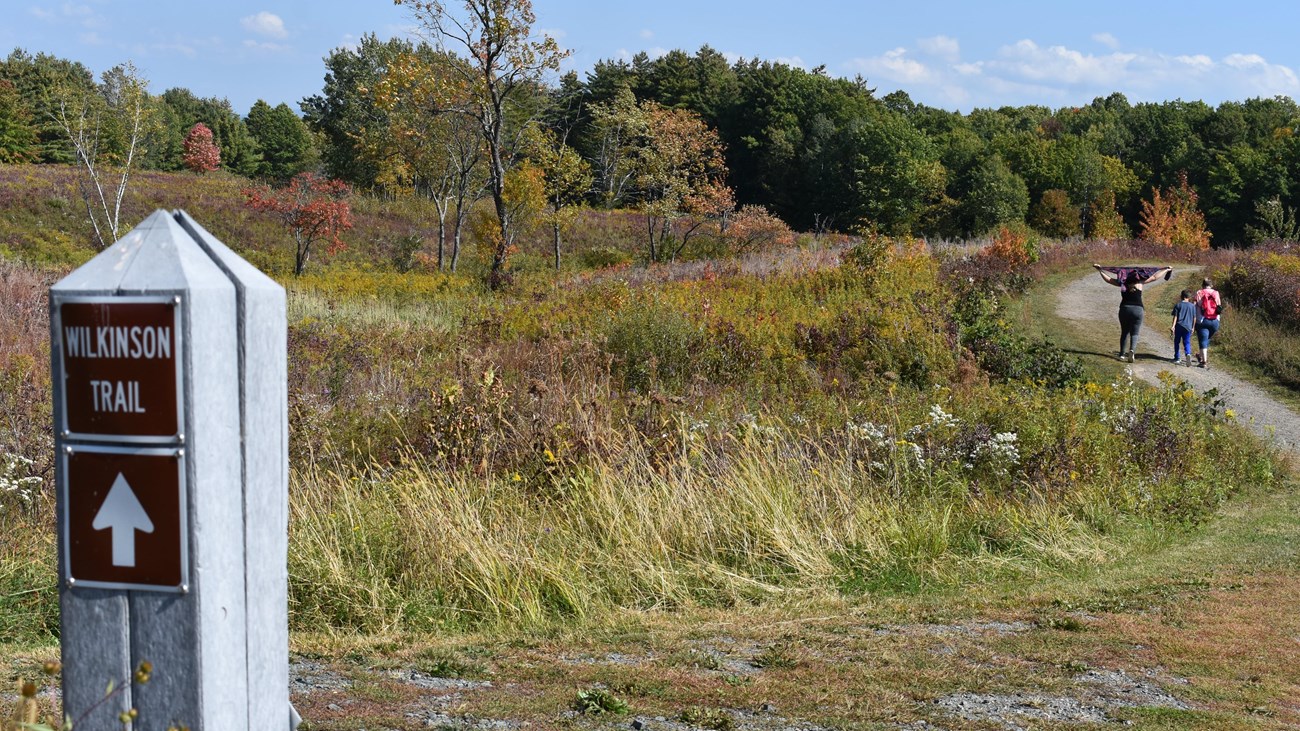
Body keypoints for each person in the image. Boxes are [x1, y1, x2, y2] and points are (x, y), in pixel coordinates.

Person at [1093, 264, 1174, 362]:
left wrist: (1100, 270)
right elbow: (1154, 277)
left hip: (1125, 309)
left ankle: (1122, 354)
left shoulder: (1123, 283)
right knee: (1135, 333)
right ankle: (1132, 351)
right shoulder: (1139, 283)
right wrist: (1166, 270)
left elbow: (1109, 280)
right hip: (1138, 310)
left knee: (1124, 332)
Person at [1194, 278, 1223, 369]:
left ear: (1203, 285)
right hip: (1215, 321)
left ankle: (1204, 361)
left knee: (1203, 340)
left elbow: (1196, 305)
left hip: (1202, 320)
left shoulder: (1199, 292)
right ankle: (1200, 355)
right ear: (1211, 285)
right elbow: (1219, 306)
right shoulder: (1216, 293)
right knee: (1206, 338)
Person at [1169, 289, 1196, 366]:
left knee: (1177, 341)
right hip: (1188, 327)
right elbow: (1194, 318)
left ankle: (1177, 357)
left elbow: (1175, 317)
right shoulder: (1192, 306)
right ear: (1189, 297)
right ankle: (1188, 354)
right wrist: (1193, 327)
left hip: (1179, 326)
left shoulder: (1178, 305)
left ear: (1182, 296)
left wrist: (1173, 326)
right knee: (1187, 342)